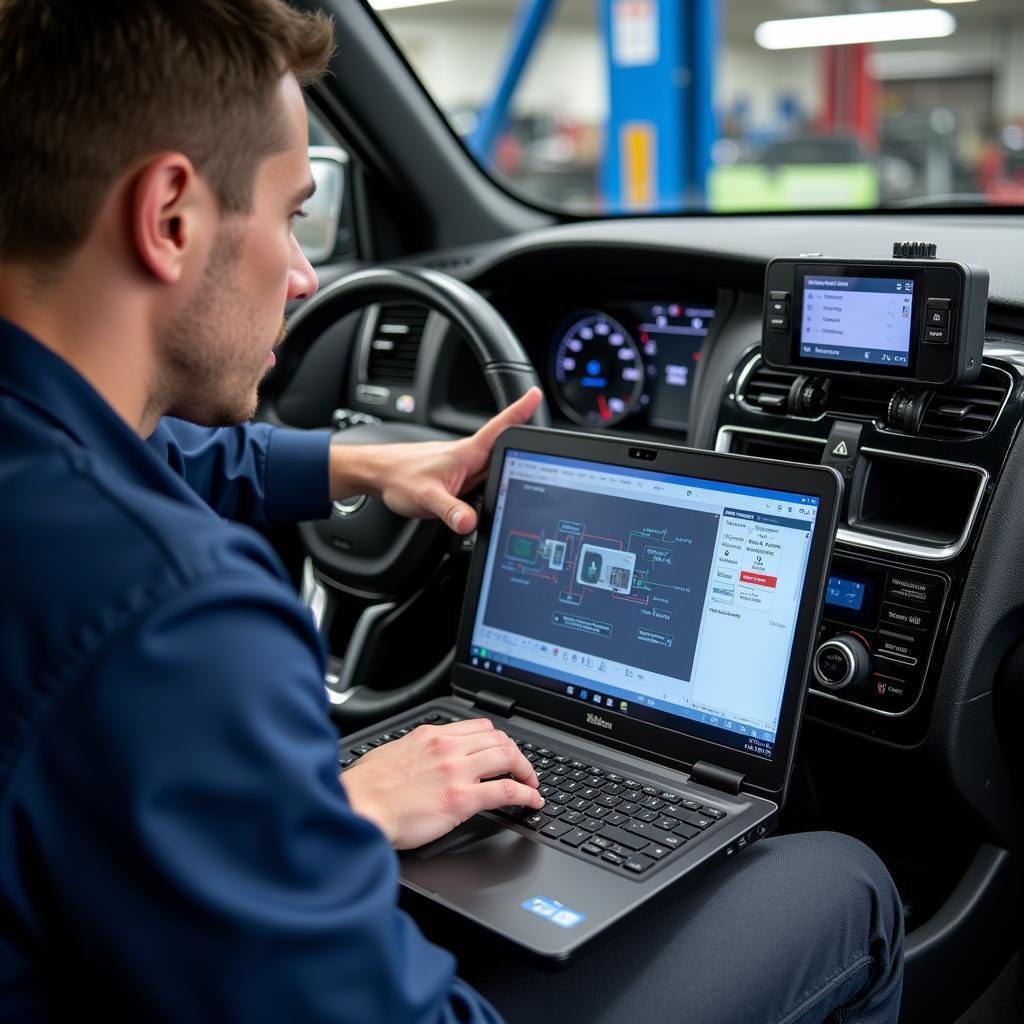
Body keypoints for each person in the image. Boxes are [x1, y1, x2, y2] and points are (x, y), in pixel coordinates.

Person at [0, 1, 903, 1021]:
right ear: (169, 215)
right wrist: (319, 822)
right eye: (295, 214)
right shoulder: (177, 618)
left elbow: (158, 453)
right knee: (842, 881)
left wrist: (366, 462)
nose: (302, 276)